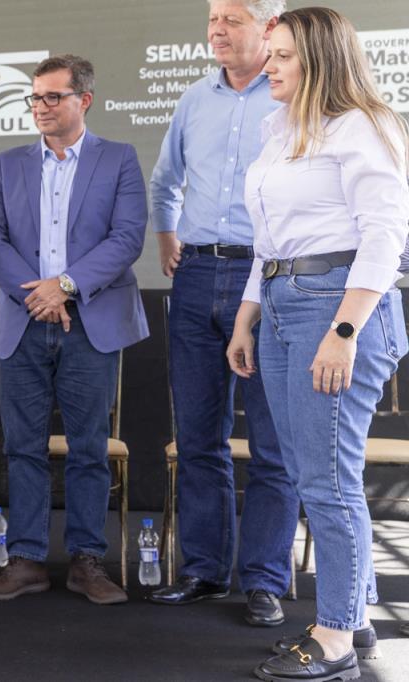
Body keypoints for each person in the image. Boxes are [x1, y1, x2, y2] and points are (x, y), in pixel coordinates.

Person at [226, 7, 409, 680]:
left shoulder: (364, 125)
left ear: (321, 60)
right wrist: (247, 317)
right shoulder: (280, 128)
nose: (266, 65)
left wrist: (344, 331)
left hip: (336, 306)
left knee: (328, 482)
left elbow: (386, 236)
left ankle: (333, 642)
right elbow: (270, 242)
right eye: (268, 53)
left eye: (281, 56)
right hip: (283, 302)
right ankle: (351, 617)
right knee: (316, 477)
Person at [148, 0, 301, 628]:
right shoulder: (194, 99)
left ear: (269, 27)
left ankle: (264, 579)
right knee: (198, 437)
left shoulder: (295, 95)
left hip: (266, 277)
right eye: (213, 18)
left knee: (272, 443)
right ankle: (205, 571)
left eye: (231, 18)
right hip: (195, 277)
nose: (216, 29)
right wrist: (168, 240)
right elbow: (164, 182)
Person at [0, 54, 148, 605]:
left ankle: (86, 560)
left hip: (90, 323)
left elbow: (127, 238)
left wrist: (65, 287)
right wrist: (38, 296)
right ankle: (26, 559)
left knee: (89, 447)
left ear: (84, 100)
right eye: (35, 97)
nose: (41, 107)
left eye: (53, 96)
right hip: (23, 321)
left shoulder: (119, 159)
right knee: (22, 446)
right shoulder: (7, 164)